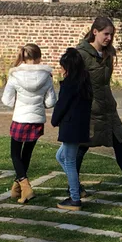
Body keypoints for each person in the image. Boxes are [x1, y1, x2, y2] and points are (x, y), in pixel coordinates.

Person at [76, 17, 122, 198]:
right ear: (95, 32)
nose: (109, 38)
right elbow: (74, 83)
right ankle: (73, 186)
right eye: (106, 34)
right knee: (81, 147)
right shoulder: (80, 54)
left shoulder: (108, 54)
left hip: (108, 108)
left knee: (120, 145)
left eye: (111, 34)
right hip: (90, 110)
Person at [1, 43, 56, 204]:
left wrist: (16, 102)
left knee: (15, 153)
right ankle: (17, 187)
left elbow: (7, 100)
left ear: (23, 56)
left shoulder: (15, 75)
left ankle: (25, 186)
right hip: (36, 120)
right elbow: (51, 101)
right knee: (26, 153)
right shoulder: (46, 76)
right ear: (39, 57)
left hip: (20, 118)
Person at [52, 48, 93, 211]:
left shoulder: (70, 84)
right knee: (60, 156)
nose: (60, 70)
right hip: (79, 126)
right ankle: (77, 187)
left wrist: (54, 120)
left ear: (68, 68)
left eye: (62, 67)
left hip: (71, 127)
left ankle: (75, 197)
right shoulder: (84, 81)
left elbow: (62, 105)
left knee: (69, 160)